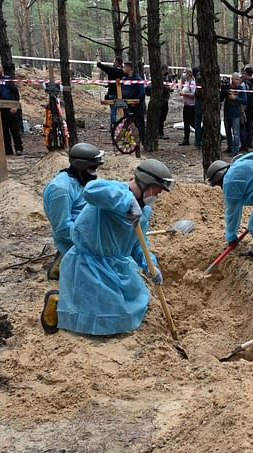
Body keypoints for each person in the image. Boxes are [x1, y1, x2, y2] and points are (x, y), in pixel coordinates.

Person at [40, 159, 176, 336]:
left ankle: (73, 301)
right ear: (147, 183)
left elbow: (138, 243)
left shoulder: (144, 211)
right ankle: (58, 303)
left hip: (116, 265)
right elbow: (91, 190)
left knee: (133, 305)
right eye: (158, 189)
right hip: (89, 264)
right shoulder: (113, 192)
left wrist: (150, 265)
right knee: (104, 317)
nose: (158, 194)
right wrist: (127, 201)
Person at [42, 143, 106, 280]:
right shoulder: (60, 189)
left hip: (87, 234)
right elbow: (63, 228)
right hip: (75, 239)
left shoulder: (82, 180)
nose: (95, 174)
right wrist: (93, 241)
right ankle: (63, 262)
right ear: (81, 166)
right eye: (92, 169)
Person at [0, 63, 23, 156]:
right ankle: (8, 150)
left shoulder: (7, 79)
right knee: (4, 131)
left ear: (1, 69)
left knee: (14, 130)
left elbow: (16, 94)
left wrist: (14, 106)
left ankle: (19, 148)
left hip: (10, 109)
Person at [222, 72, 248, 156]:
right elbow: (221, 98)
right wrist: (223, 90)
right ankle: (229, 147)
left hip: (236, 114)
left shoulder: (241, 88)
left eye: (239, 79)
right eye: (236, 79)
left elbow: (244, 101)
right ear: (232, 79)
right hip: (227, 113)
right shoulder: (227, 87)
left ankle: (235, 150)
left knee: (236, 133)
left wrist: (235, 98)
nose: (238, 81)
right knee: (228, 132)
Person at [120, 61, 146, 142]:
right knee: (127, 123)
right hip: (126, 105)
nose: (123, 69)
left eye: (125, 67)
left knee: (139, 123)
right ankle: (128, 140)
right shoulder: (124, 79)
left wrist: (135, 102)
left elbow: (142, 93)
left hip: (136, 106)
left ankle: (143, 140)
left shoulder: (137, 79)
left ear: (129, 68)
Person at [96, 57, 124, 129]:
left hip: (112, 94)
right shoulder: (123, 72)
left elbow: (100, 65)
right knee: (122, 111)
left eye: (114, 61)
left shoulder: (111, 70)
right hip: (121, 94)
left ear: (116, 62)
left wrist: (97, 58)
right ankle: (123, 126)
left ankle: (114, 127)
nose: (113, 62)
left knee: (113, 111)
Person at [241, 65, 253, 150]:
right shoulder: (242, 83)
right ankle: (244, 144)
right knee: (244, 126)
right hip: (246, 108)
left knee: (250, 126)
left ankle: (249, 142)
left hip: (252, 108)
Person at [178, 67, 196, 146]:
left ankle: (202, 133)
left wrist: (184, 94)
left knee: (192, 123)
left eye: (185, 73)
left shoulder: (192, 83)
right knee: (186, 123)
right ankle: (186, 139)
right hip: (186, 105)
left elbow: (193, 95)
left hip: (191, 106)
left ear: (189, 74)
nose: (184, 74)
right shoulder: (186, 82)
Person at [193, 66, 203, 148]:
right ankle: (198, 141)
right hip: (200, 99)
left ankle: (198, 141)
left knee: (199, 122)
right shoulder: (199, 74)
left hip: (200, 99)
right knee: (198, 122)